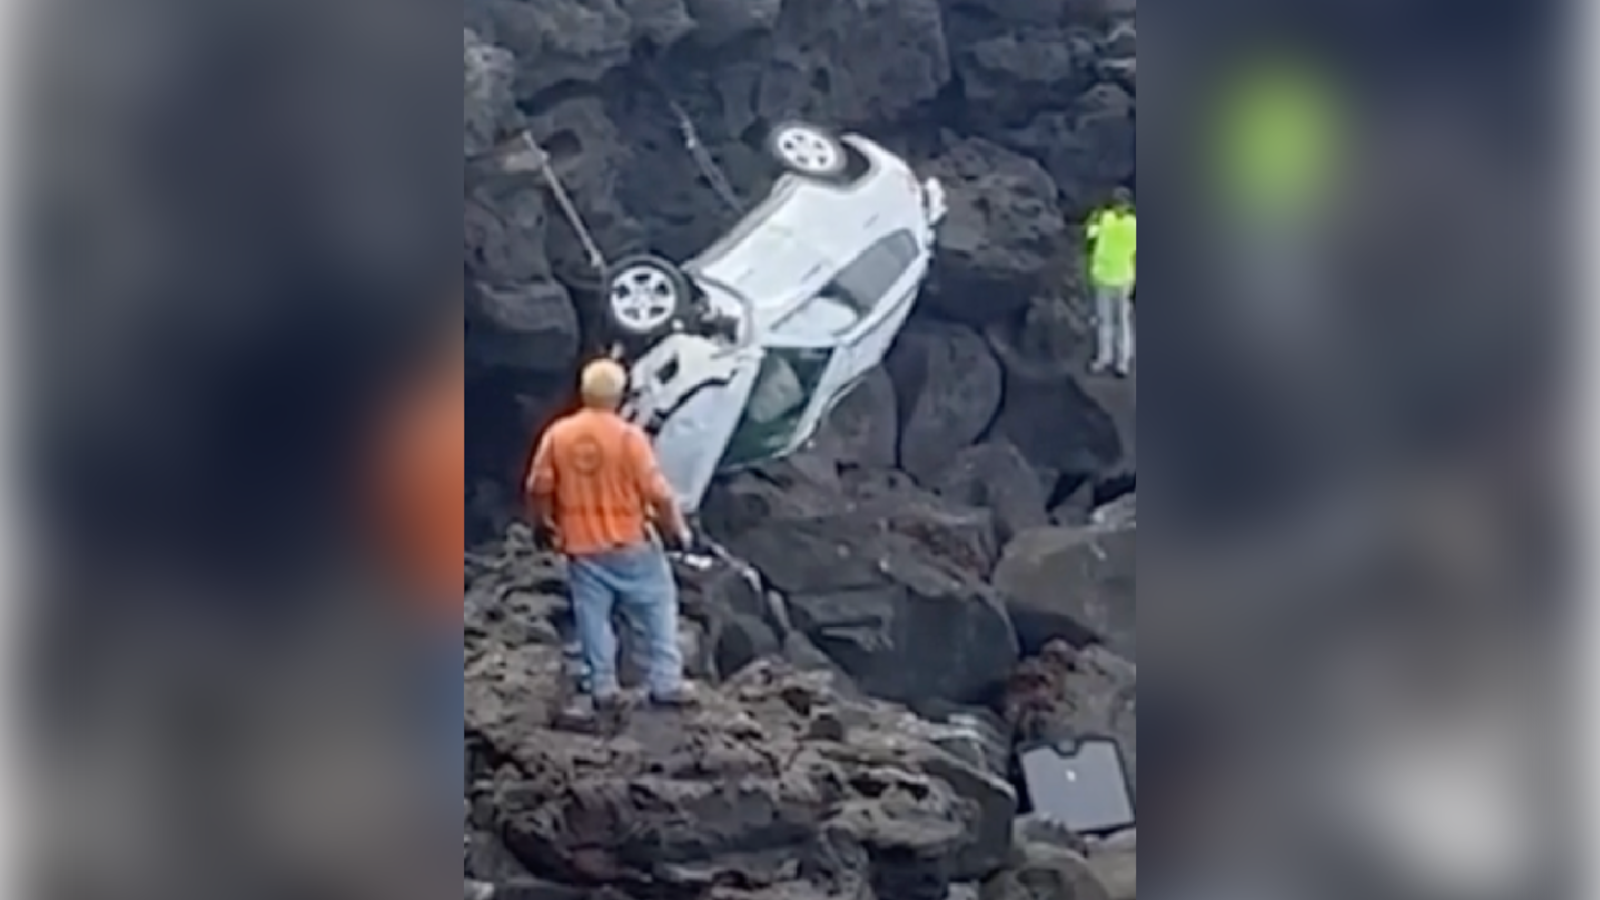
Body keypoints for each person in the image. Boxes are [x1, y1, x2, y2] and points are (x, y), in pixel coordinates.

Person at [525, 357, 693, 714]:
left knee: (593, 616)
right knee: (657, 607)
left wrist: (542, 523)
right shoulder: (629, 437)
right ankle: (665, 682)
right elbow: (659, 493)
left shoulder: (559, 434)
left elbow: (538, 486)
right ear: (620, 395)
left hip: (582, 546)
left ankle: (602, 686)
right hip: (630, 542)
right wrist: (676, 530)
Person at [1086, 187, 1138, 376]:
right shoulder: (1106, 220)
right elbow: (1091, 236)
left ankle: (1122, 361)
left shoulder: (1131, 224)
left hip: (1122, 277)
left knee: (1121, 321)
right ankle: (1105, 358)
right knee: (1105, 320)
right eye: (1117, 203)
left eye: (1122, 204)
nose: (1119, 207)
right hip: (1103, 276)